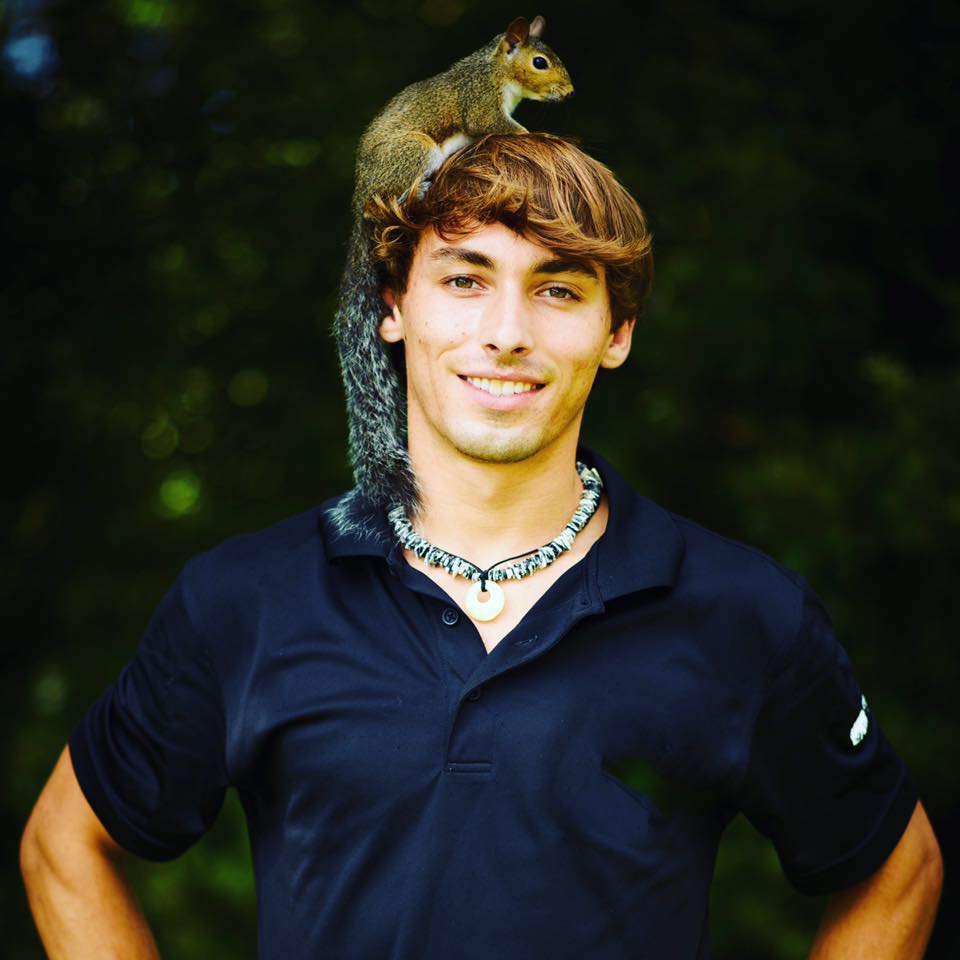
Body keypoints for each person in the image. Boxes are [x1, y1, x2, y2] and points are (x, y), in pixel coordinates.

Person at [21, 133, 942, 958]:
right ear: (394, 309)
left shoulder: (744, 613)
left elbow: (896, 871)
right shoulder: (245, 600)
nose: (506, 334)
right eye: (465, 279)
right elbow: (67, 844)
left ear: (615, 334)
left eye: (557, 290)